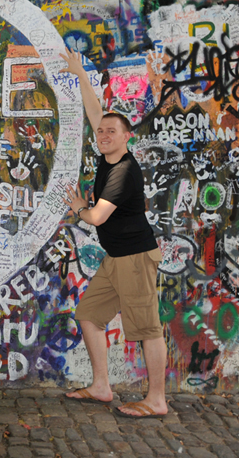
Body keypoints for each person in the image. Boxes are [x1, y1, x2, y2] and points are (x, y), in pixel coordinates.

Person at [59, 48, 168, 419]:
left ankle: (156, 400)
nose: (103, 135)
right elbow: (95, 112)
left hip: (135, 258)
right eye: (101, 131)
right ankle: (102, 386)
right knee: (88, 315)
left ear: (127, 138)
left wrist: (78, 208)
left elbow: (97, 217)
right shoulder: (108, 152)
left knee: (147, 329)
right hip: (116, 258)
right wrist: (79, 74)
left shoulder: (122, 171)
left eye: (111, 132)